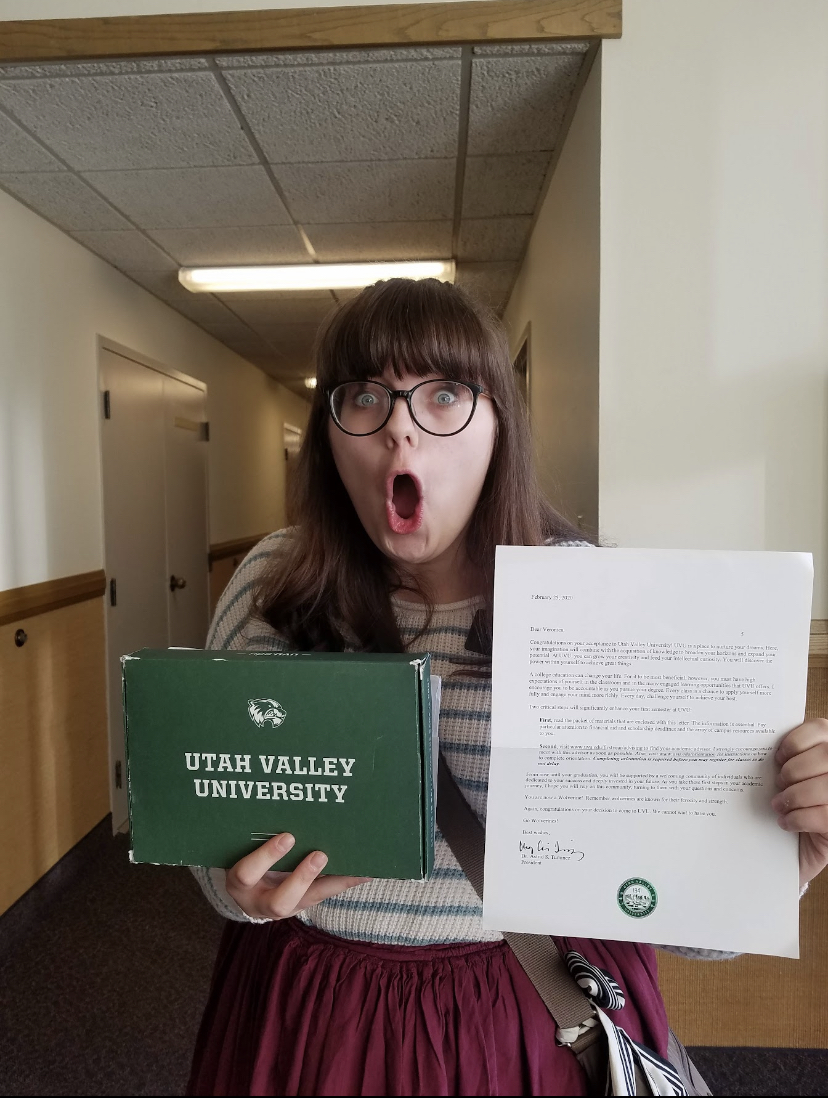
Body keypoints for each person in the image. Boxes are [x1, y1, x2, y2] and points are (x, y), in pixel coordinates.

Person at [187, 278, 828, 1097]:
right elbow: (218, 853)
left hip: (528, 1014)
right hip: (314, 1009)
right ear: (329, 431)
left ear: (500, 425)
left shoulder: (607, 605)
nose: (401, 436)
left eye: (445, 394)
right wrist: (242, 892)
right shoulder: (269, 585)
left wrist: (782, 864)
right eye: (364, 398)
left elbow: (684, 913)